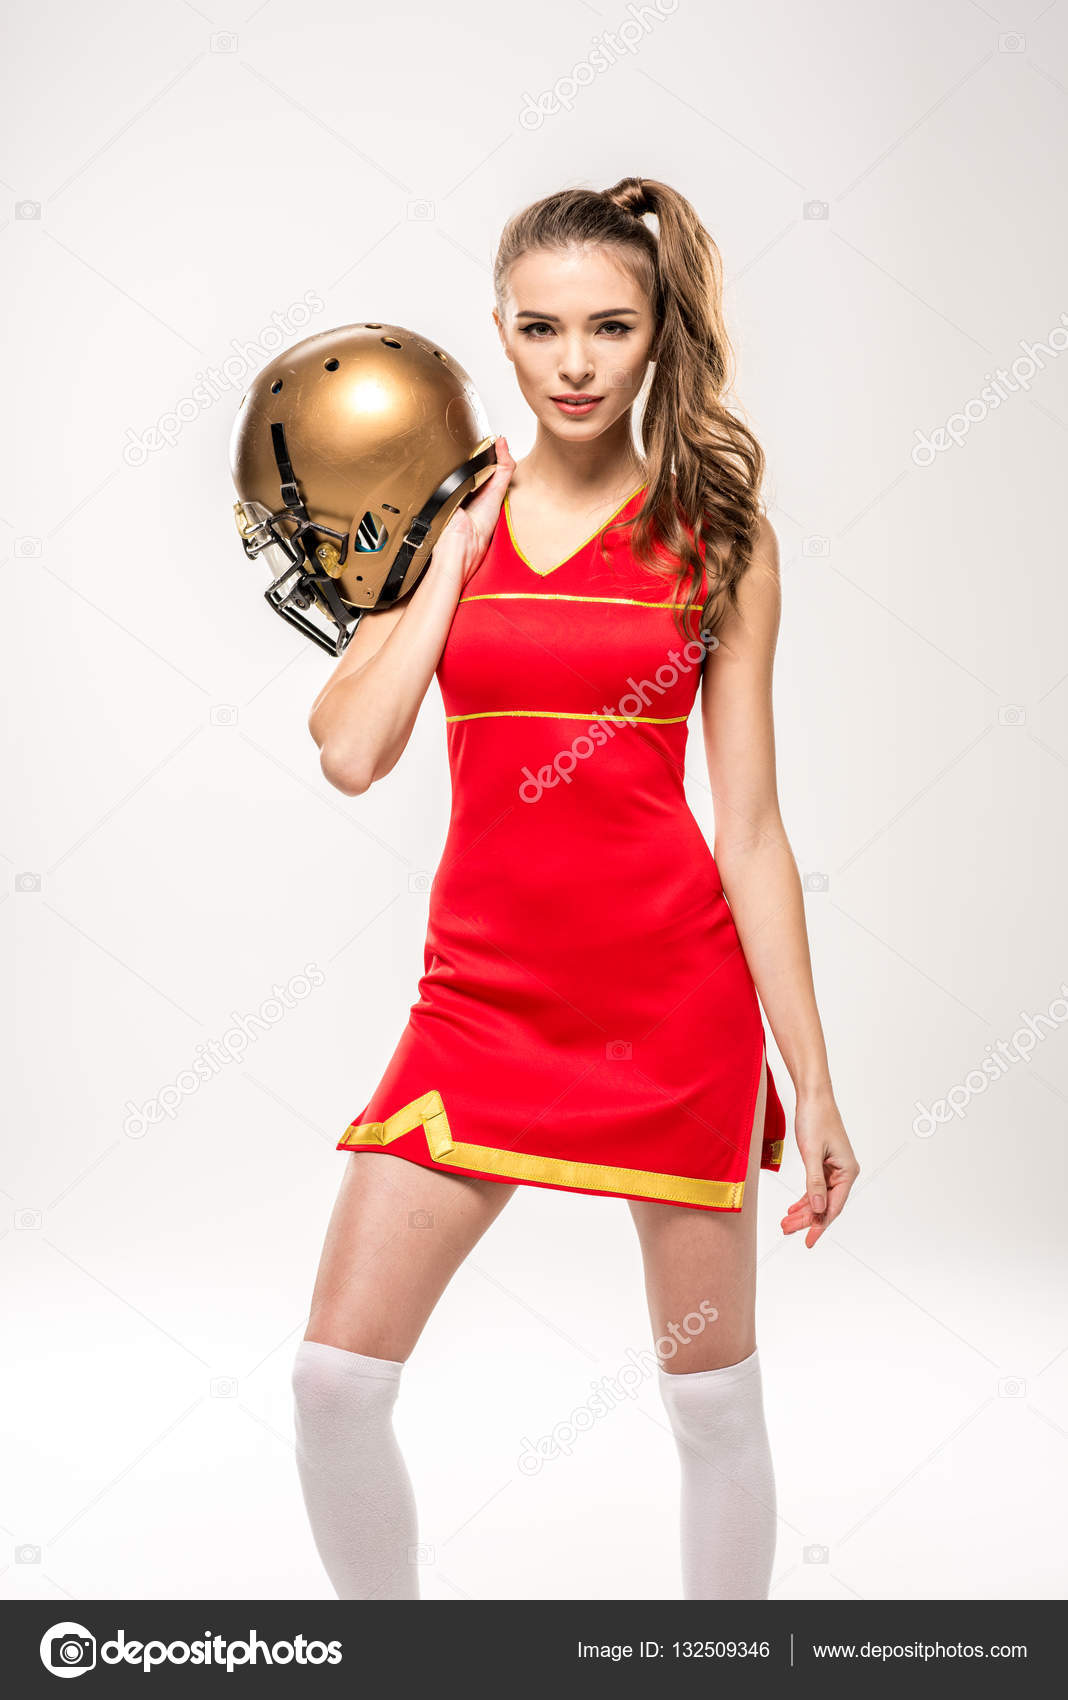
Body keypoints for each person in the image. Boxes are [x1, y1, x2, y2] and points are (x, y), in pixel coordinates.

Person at [290, 176, 859, 1602]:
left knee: (712, 1402)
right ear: (499, 332)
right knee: (333, 1382)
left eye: (611, 326)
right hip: (475, 1006)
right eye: (543, 330)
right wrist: (449, 561)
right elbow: (353, 752)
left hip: (672, 1011)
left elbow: (753, 831)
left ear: (660, 331)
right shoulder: (438, 517)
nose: (579, 362)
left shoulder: (720, 539)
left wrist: (817, 1079)